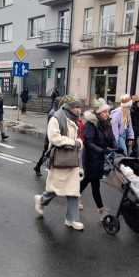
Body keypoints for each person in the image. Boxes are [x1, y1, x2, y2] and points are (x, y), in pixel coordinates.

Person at [34, 96, 84, 231]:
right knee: (54, 189)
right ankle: (41, 200)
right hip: (59, 159)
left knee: (73, 190)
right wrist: (73, 143)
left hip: (72, 159)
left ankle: (71, 219)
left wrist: (79, 142)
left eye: (80, 107)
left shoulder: (75, 120)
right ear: (69, 106)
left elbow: (78, 137)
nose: (80, 110)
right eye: (77, 107)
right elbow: (54, 138)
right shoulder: (56, 118)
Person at [81, 99, 116, 221]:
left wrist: (117, 147)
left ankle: (74, 197)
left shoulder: (106, 123)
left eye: (108, 112)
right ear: (99, 113)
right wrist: (102, 150)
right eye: (105, 112)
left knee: (87, 181)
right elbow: (88, 142)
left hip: (99, 158)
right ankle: (101, 210)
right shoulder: (91, 124)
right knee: (94, 183)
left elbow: (111, 138)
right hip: (91, 159)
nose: (108, 114)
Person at [33, 96, 62, 176]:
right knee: (47, 154)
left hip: (52, 136)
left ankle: (38, 167)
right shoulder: (53, 113)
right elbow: (51, 127)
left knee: (48, 154)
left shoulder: (57, 112)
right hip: (50, 137)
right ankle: (38, 167)